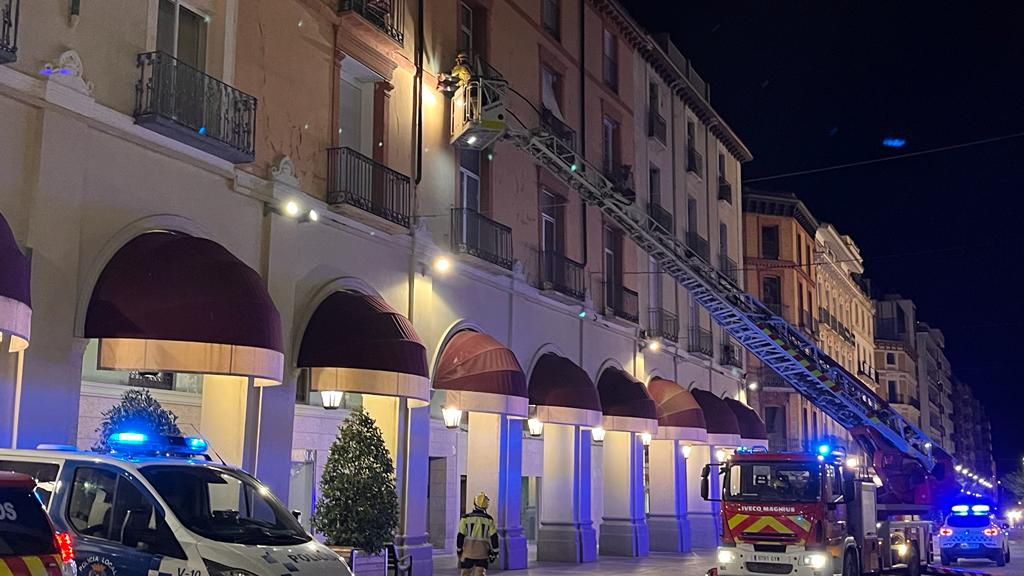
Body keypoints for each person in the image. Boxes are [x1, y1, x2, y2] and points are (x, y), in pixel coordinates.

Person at [457, 492, 499, 576]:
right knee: (480, 573)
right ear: (486, 505)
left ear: (474, 503)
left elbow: (460, 536)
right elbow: (494, 537)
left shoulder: (465, 518)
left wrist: (459, 550)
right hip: (482, 554)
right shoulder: (489, 520)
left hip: (467, 553)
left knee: (465, 573)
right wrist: (495, 552)